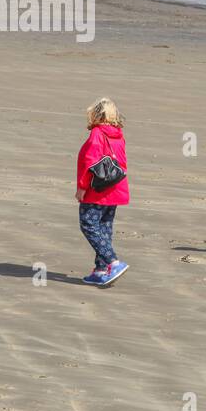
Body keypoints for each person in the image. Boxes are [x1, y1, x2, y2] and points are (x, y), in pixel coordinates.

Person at [75, 97, 130, 286]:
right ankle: (100, 269)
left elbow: (90, 163)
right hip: (115, 189)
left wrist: (82, 188)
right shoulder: (118, 134)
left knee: (88, 224)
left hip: (96, 190)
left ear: (96, 114)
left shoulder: (98, 133)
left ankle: (113, 262)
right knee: (104, 228)